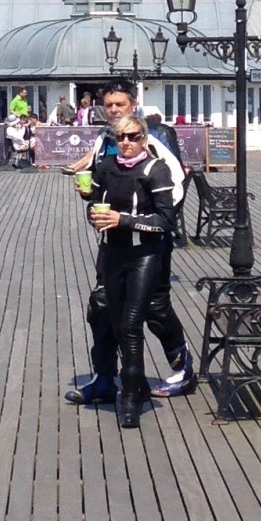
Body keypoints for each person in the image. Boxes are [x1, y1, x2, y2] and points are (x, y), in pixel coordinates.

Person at [64, 78, 193, 406]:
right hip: (112, 242)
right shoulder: (104, 137)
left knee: (155, 308)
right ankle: (105, 378)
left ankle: (183, 368)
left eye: (120, 104)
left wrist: (144, 222)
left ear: (133, 104)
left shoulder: (157, 135)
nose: (113, 110)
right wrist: (90, 196)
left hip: (150, 243)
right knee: (101, 305)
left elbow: (176, 187)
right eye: (108, 105)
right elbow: (101, 184)